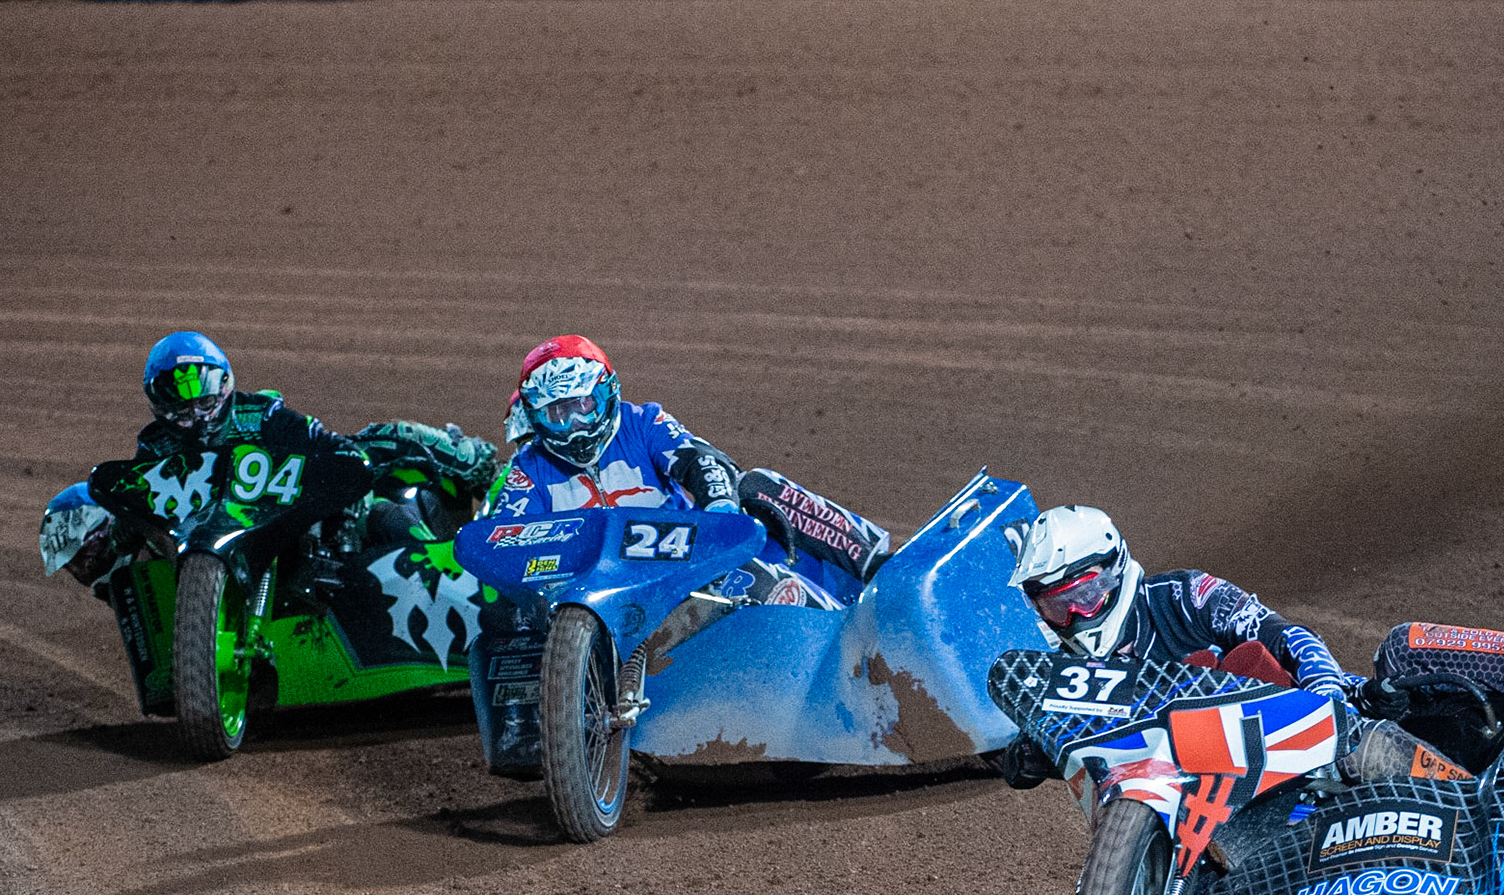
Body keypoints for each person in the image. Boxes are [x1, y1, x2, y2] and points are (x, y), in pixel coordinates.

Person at [997, 504, 1504, 787]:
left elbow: (1284, 636)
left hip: (1305, 736)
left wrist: (1325, 695)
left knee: (1401, 649)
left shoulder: (1183, 597)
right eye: (1057, 603)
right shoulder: (1067, 672)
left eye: (1087, 590)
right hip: (1217, 798)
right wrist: (1033, 751)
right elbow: (1055, 738)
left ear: (1116, 567)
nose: (1077, 612)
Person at [62, 330, 498, 586]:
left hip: (299, 522)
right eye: (179, 406)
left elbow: (324, 443)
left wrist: (344, 467)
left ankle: (475, 508)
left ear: (225, 385)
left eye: (203, 398)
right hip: (211, 542)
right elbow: (140, 506)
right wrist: (112, 542)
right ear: (157, 404)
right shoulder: (155, 447)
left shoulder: (261, 413)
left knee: (387, 509)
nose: (194, 414)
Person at [486, 335, 888, 607]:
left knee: (758, 486)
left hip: (685, 561)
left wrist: (718, 507)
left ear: (605, 395)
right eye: (558, 413)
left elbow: (700, 458)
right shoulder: (527, 469)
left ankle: (883, 568)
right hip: (594, 594)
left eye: (582, 406)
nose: (574, 424)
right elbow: (500, 538)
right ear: (537, 418)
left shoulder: (643, 423)